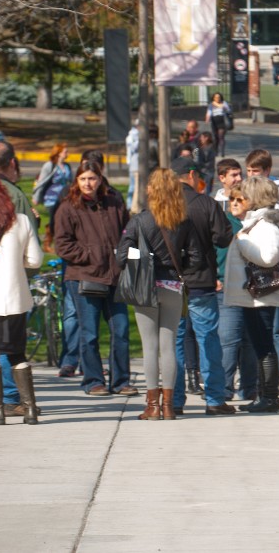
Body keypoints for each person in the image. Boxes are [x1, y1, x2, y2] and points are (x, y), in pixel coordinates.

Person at [117, 168, 203, 420]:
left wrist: (142, 261)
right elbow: (196, 257)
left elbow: (122, 256)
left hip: (145, 287)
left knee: (150, 347)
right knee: (168, 347)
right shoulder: (184, 221)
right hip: (173, 287)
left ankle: (152, 406)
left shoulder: (139, 221)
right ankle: (168, 406)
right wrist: (181, 270)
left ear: (151, 190)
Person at [54, 161, 136, 397]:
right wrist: (90, 254)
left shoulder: (114, 202)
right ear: (76, 182)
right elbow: (62, 244)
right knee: (89, 333)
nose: (88, 183)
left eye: (92, 178)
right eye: (83, 179)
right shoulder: (69, 207)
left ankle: (120, 381)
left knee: (120, 331)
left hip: (115, 276)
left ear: (100, 179)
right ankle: (93, 381)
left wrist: (125, 254)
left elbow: (128, 232)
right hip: (84, 276)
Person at [167, 156, 235, 416]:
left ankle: (175, 400)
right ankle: (215, 399)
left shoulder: (165, 206)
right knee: (208, 340)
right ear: (192, 175)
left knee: (175, 342)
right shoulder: (206, 203)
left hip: (171, 282)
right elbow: (223, 237)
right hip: (202, 281)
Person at [222, 176, 279, 412]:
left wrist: (243, 243)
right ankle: (265, 395)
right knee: (260, 345)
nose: (240, 199)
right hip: (253, 297)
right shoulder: (257, 222)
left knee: (264, 346)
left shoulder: (265, 225)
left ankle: (270, 397)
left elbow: (268, 257)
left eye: (244, 195)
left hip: (261, 296)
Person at [0, 168, 44, 425]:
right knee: (17, 354)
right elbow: (35, 259)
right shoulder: (21, 220)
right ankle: (29, 408)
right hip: (16, 297)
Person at [219, 186, 257, 401]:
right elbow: (214, 252)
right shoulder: (225, 223)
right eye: (232, 199)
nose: (234, 203)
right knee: (229, 339)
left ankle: (249, 387)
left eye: (239, 199)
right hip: (228, 287)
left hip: (252, 290)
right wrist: (216, 277)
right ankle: (224, 388)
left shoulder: (256, 224)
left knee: (249, 340)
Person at [32, 144, 73, 247]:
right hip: (51, 199)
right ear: (58, 153)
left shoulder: (67, 166)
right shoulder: (49, 165)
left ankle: (58, 241)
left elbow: (71, 182)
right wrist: (36, 197)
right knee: (54, 220)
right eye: (65, 151)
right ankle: (48, 242)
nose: (67, 154)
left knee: (63, 220)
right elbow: (41, 182)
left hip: (64, 198)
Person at [205, 93, 232, 158]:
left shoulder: (224, 103)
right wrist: (207, 119)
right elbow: (209, 113)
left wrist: (223, 107)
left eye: (219, 97)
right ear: (213, 98)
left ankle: (222, 152)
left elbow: (229, 110)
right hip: (214, 122)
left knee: (221, 137)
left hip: (222, 121)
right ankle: (216, 151)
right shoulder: (211, 105)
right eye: (216, 97)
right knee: (215, 137)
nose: (217, 98)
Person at [126, 119, 141, 211]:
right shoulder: (133, 136)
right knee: (135, 187)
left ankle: (129, 205)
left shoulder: (132, 135)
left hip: (133, 165)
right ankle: (132, 207)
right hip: (135, 166)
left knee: (133, 186)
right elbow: (133, 148)